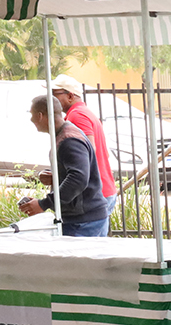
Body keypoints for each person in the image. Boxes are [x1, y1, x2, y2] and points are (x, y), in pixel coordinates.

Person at [20, 95, 109, 237]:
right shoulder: (66, 134)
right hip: (82, 218)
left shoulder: (69, 139)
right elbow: (77, 171)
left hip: (84, 221)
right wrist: (57, 175)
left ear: (40, 116)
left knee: (78, 260)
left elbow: (78, 178)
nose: (31, 120)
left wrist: (44, 204)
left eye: (32, 115)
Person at [50, 74, 117, 217]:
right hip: (102, 191)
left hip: (95, 195)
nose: (51, 99)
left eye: (55, 94)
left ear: (70, 96)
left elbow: (85, 155)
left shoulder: (77, 116)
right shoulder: (83, 112)